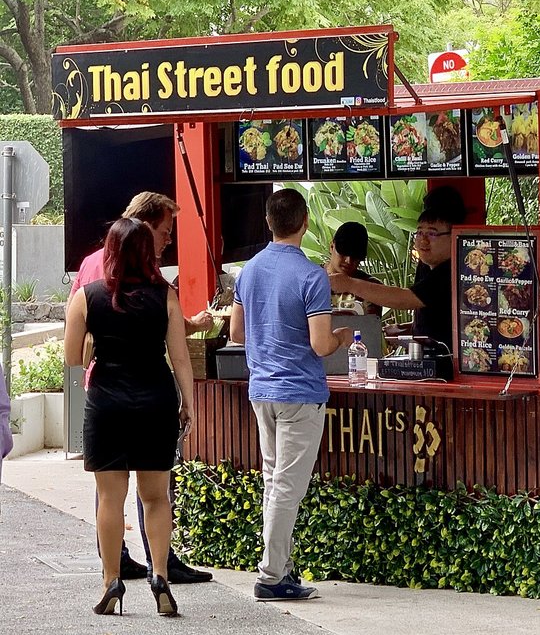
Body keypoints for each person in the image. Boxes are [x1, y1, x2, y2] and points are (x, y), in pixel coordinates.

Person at [70, 191, 214, 585]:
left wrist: (94, 341)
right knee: (155, 495)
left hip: (105, 395)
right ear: (145, 235)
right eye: (164, 232)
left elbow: (73, 351)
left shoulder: (88, 282)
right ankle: (161, 573)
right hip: (154, 396)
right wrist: (188, 403)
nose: (167, 241)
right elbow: (178, 356)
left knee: (109, 494)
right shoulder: (161, 290)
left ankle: (111, 577)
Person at [230, 188, 352, 601]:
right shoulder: (312, 276)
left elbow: (236, 333)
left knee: (273, 480)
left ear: (269, 222)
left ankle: (280, 566)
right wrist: (342, 336)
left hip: (261, 390)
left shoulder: (248, 271)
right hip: (300, 392)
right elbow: (320, 344)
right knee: (287, 487)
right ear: (305, 223)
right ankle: (271, 576)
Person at [329, 193, 465, 380]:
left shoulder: (451, 270)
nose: (423, 240)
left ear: (454, 236)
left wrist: (349, 284)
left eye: (432, 233)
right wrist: (407, 329)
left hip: (450, 369)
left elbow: (407, 298)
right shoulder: (426, 265)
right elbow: (434, 315)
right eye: (419, 233)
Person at [326, 221, 382, 316]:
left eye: (355, 257)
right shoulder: (310, 279)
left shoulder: (371, 287)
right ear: (332, 247)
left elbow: (370, 323)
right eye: (343, 253)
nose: (348, 261)